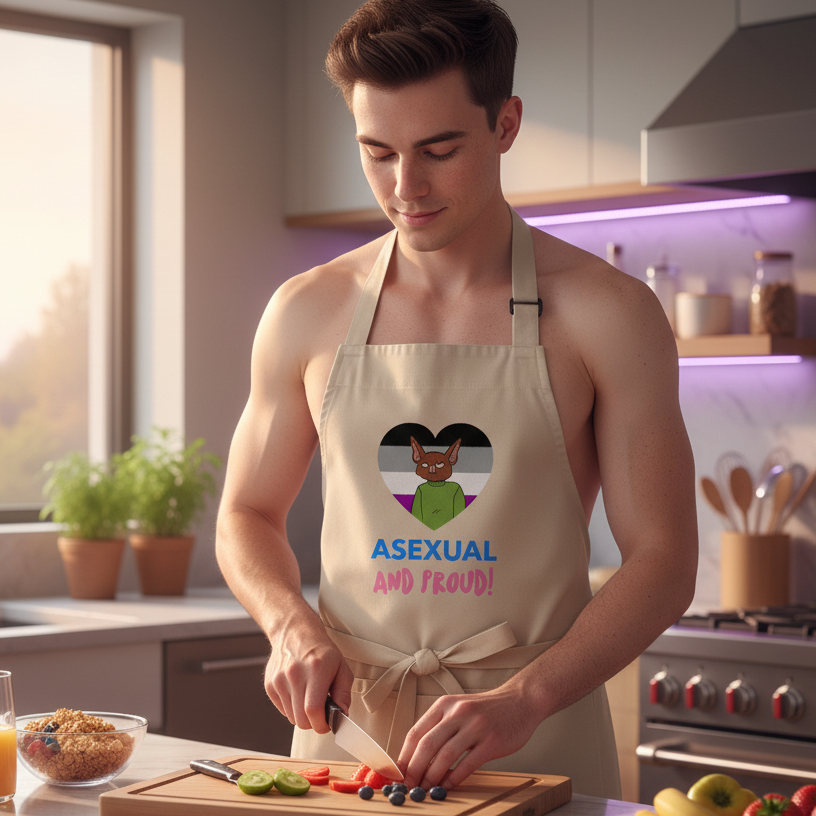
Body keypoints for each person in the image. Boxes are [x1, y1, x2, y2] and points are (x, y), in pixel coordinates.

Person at [215, 0, 697, 799]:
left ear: (506, 123)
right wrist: (288, 624)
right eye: (378, 153)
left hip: (533, 735)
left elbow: (665, 559)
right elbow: (245, 514)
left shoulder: (608, 312)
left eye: (440, 149)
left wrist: (526, 698)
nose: (407, 187)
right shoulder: (307, 309)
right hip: (346, 737)